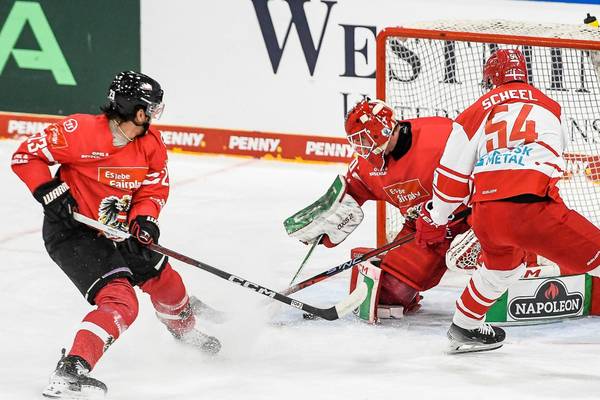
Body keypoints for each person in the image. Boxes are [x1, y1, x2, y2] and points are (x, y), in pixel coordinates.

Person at [11, 71, 221, 399]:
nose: (153, 115)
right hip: (74, 233)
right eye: (150, 108)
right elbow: (26, 156)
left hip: (117, 229)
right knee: (121, 301)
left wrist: (145, 220)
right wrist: (50, 190)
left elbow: (154, 186)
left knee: (168, 283)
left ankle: (183, 330)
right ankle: (71, 370)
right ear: (135, 110)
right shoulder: (78, 131)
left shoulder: (151, 144)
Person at [414, 49, 600, 353]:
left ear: (491, 79)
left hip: (486, 214)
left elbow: (451, 182)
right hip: (533, 206)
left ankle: (466, 325)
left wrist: (435, 217)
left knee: (502, 268)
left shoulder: (472, 113)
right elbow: (554, 157)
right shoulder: (551, 106)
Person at [285, 98, 470, 322]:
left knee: (498, 249)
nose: (361, 146)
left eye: (364, 138)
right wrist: (327, 222)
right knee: (390, 292)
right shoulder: (367, 166)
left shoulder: (441, 135)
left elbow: (487, 170)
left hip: (471, 215)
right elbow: (351, 193)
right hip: (423, 227)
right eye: (356, 140)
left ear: (382, 130)